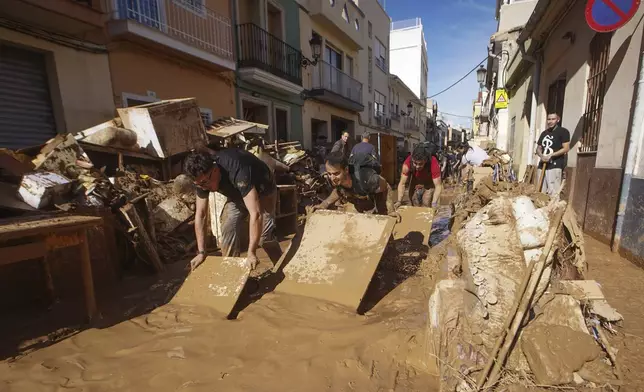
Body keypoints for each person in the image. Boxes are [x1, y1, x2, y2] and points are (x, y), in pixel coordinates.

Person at [184, 149, 277, 271]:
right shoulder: (202, 179)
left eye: (205, 183)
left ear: (215, 170)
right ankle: (231, 271)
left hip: (263, 190)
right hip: (237, 194)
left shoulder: (237, 170)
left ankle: (282, 265)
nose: (204, 188)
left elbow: (256, 214)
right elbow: (201, 215)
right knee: (228, 225)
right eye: (199, 185)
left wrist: (251, 252)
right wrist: (201, 252)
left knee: (264, 237)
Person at [312, 151, 391, 215]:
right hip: (358, 202)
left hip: (376, 198)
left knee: (381, 217)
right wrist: (325, 204)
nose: (332, 178)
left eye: (336, 173)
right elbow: (338, 190)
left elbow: (385, 186)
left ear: (346, 170)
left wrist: (390, 210)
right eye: (329, 174)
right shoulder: (333, 179)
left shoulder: (365, 177)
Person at [394, 144, 443, 210]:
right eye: (415, 163)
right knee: (414, 201)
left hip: (429, 181)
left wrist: (434, 203)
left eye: (420, 164)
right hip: (415, 180)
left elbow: (438, 186)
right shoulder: (407, 162)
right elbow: (402, 183)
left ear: (425, 160)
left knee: (426, 202)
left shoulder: (433, 162)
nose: (417, 166)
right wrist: (399, 201)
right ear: (412, 160)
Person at [536, 113, 570, 197]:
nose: (550, 121)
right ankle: (542, 209)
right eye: (549, 119)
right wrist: (541, 155)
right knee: (540, 192)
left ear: (558, 120)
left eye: (553, 119)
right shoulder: (544, 133)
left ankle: (553, 209)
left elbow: (566, 148)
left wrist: (551, 155)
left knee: (553, 192)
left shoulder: (563, 132)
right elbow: (538, 148)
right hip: (542, 165)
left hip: (555, 165)